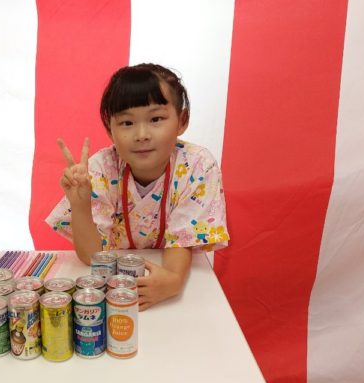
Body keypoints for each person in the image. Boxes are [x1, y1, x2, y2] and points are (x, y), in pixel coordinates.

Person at [45, 63, 229, 310]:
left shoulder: (197, 165)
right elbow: (92, 257)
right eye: (126, 123)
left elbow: (182, 238)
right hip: (115, 284)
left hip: (171, 276)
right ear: (109, 128)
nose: (141, 134)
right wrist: (80, 205)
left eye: (156, 119)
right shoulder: (101, 167)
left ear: (182, 121)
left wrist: (173, 280)